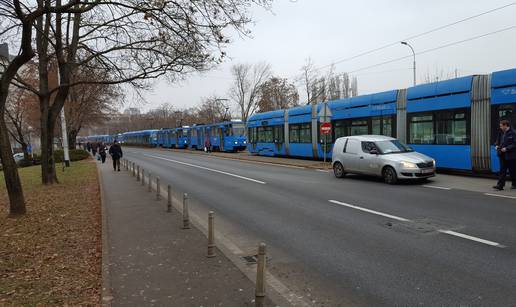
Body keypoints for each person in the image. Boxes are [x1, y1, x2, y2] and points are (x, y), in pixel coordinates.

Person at [493, 119, 516, 190]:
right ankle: (500, 185)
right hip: (501, 154)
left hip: (511, 155)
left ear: (505, 125)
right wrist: (496, 145)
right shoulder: (501, 132)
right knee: (502, 170)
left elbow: (515, 144)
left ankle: (514, 184)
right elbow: (497, 140)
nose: (500, 127)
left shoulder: (513, 133)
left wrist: (507, 148)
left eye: (501, 126)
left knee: (513, 171)